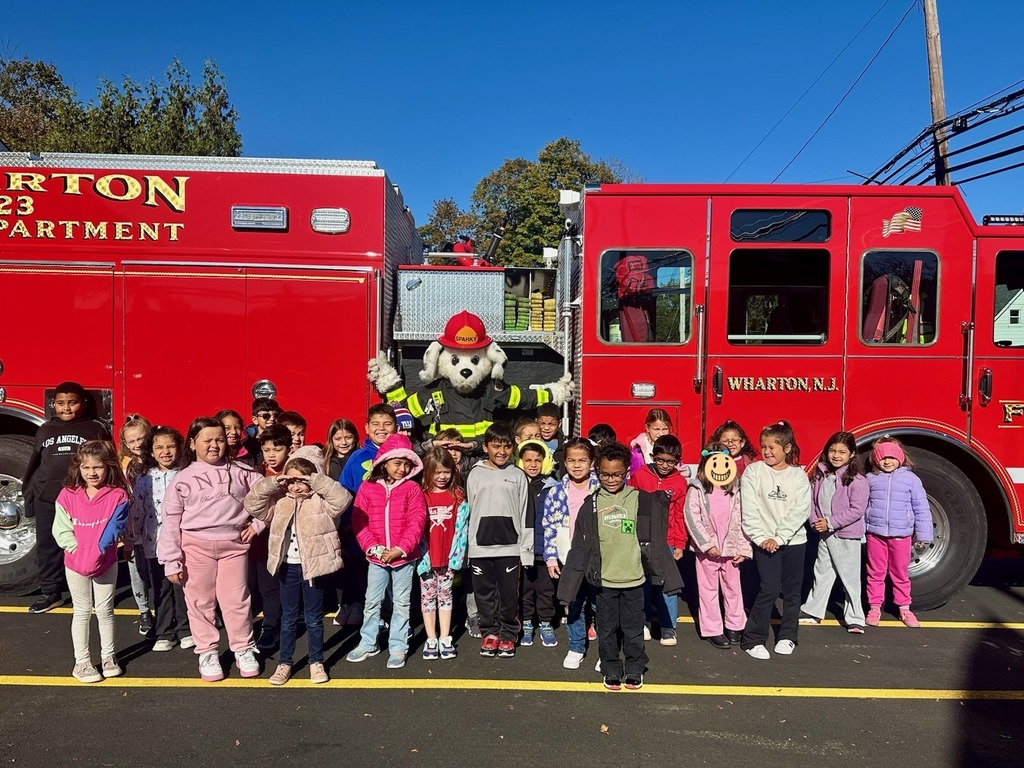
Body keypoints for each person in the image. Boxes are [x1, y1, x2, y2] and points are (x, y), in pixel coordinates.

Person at [557, 441, 682, 691]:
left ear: (626, 472)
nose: (611, 479)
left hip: (635, 581)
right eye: (605, 474)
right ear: (597, 472)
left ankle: (635, 668)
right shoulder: (590, 505)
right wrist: (569, 586)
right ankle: (611, 668)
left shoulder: (642, 500)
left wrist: (667, 576)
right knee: (607, 629)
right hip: (603, 583)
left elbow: (656, 542)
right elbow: (579, 547)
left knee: (634, 630)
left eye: (616, 474)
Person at [158, 416, 263, 682]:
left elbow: (269, 498)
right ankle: (207, 651)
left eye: (219, 439)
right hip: (195, 548)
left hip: (234, 548)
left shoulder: (242, 472)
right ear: (192, 444)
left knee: (237, 600)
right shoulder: (182, 479)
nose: (214, 445)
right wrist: (171, 560)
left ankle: (243, 648)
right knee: (200, 602)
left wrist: (259, 525)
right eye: (207, 440)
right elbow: (170, 522)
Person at [245, 454, 352, 685]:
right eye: (291, 481)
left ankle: (316, 662)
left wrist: (315, 479)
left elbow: (342, 499)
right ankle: (285, 663)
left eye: (301, 480)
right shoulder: (280, 502)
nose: (296, 485)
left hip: (314, 569)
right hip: (287, 568)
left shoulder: (321, 502)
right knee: (289, 619)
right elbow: (252, 504)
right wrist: (273, 482)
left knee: (314, 620)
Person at [23, 381, 111, 614]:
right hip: (48, 499)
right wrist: (31, 498)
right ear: (54, 405)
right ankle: (51, 592)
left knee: (85, 545)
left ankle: (88, 591)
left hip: (82, 499)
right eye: (60, 403)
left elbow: (106, 463)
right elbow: (34, 466)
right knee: (48, 546)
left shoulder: (94, 428)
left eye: (72, 402)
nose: (66, 408)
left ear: (82, 403)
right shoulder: (45, 429)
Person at [346, 434, 427, 670]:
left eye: (406, 464)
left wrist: (400, 549)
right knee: (372, 601)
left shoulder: (412, 488)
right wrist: (374, 547)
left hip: (404, 557)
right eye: (397, 463)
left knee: (401, 603)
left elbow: (417, 521)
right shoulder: (367, 487)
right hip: (376, 556)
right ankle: (368, 642)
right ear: (384, 463)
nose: (402, 469)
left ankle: (398, 646)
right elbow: (360, 520)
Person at [52, 440, 130, 682]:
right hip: (75, 562)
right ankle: (82, 662)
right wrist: (76, 549)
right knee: (82, 611)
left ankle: (108, 656)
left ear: (108, 468)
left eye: (98, 467)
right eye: (86, 468)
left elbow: (115, 527)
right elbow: (61, 528)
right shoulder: (68, 495)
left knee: (106, 610)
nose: (92, 473)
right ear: (78, 468)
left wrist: (98, 550)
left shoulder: (118, 495)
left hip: (106, 561)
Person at [740, 421, 810, 660]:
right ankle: (753, 639)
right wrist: (761, 538)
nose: (767, 451)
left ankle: (788, 636)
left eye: (773, 447)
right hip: (764, 542)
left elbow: (800, 510)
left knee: (792, 591)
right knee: (768, 589)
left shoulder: (798, 475)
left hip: (793, 541)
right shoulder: (754, 472)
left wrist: (780, 537)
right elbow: (749, 509)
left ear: (787, 448)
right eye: (764, 446)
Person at [466, 422, 532, 659]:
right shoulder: (474, 474)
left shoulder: (518, 475)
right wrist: (467, 548)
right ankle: (490, 633)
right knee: (484, 594)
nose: (501, 452)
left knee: (508, 594)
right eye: (496, 446)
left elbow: (526, 514)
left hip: (510, 548)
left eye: (506, 446)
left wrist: (525, 551)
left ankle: (508, 634)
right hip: (480, 548)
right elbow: (468, 512)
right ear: (485, 447)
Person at [130, 426, 193, 652]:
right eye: (159, 447)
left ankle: (186, 630)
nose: (165, 452)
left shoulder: (187, 474)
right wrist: (133, 537)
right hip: (154, 542)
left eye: (171, 446)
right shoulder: (145, 478)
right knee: (161, 588)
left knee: (181, 586)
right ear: (151, 451)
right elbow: (138, 509)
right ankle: (165, 632)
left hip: (182, 543)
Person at [799, 431, 869, 633]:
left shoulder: (856, 480)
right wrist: (815, 523)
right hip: (825, 534)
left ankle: (855, 616)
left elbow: (857, 510)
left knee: (850, 577)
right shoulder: (821, 476)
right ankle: (813, 610)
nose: (836, 455)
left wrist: (830, 522)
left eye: (842, 452)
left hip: (846, 536)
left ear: (852, 454)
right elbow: (812, 502)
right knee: (822, 572)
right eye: (832, 451)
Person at [684, 443, 751, 648]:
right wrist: (706, 545)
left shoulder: (736, 490)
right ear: (705, 466)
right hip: (708, 552)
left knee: (733, 588)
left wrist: (743, 548)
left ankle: (735, 624)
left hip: (731, 550)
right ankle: (713, 629)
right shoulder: (697, 490)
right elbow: (691, 517)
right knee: (708, 590)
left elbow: (743, 519)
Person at [542, 437, 600, 669]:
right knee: (575, 602)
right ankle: (576, 647)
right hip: (569, 554)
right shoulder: (556, 492)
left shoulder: (601, 488)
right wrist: (550, 557)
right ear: (564, 463)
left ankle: (606, 651)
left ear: (592, 463)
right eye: (572, 460)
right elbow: (549, 525)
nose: (577, 465)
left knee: (600, 603)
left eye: (582, 460)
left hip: (597, 554)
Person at [864, 436, 933, 628]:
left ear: (900, 458)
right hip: (875, 534)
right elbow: (862, 507)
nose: (887, 461)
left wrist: (924, 534)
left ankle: (904, 608)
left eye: (892, 457)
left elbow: (921, 507)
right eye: (883, 457)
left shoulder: (911, 480)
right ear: (876, 459)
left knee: (900, 573)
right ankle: (874, 606)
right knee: (875, 572)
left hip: (901, 536)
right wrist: (861, 531)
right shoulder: (870, 479)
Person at [629, 434, 689, 646]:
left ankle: (668, 627)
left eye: (670, 462)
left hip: (667, 541)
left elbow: (680, 515)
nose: (664, 465)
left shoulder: (680, 483)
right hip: (642, 538)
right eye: (660, 460)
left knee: (667, 585)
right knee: (642, 583)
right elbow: (631, 505)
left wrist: (680, 543)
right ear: (652, 456)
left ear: (677, 462)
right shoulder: (640, 475)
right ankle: (644, 622)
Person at [417, 447, 469, 661]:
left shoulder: (457, 495)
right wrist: (422, 555)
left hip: (449, 557)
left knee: (446, 596)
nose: (442, 477)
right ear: (427, 472)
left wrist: (457, 556)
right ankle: (431, 637)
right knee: (428, 597)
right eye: (436, 472)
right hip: (427, 558)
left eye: (446, 472)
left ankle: (445, 637)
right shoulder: (421, 496)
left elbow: (462, 530)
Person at [251, 424, 293, 653]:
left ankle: (286, 622)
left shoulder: (296, 473)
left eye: (277, 449)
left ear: (289, 449)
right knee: (267, 587)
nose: (272, 454)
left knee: (287, 585)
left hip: (290, 541)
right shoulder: (257, 473)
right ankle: (269, 626)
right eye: (267, 450)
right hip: (262, 542)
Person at [516, 439, 559, 648]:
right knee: (525, 589)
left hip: (544, 549)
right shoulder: (516, 483)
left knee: (546, 590)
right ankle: (526, 624)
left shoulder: (551, 486)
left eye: (537, 460)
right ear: (520, 461)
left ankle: (545, 623)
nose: (533, 464)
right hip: (522, 547)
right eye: (528, 460)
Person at [323, 417, 364, 626]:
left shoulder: (360, 458)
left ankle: (357, 602)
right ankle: (343, 603)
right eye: (338, 438)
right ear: (331, 439)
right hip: (335, 519)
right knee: (340, 562)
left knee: (357, 562)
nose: (343, 442)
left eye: (348, 437)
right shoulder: (326, 462)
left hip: (358, 516)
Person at [117, 414, 155, 635]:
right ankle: (143, 611)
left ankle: (164, 609)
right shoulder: (124, 464)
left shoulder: (157, 458)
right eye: (131, 441)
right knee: (136, 569)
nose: (137, 444)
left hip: (156, 523)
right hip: (133, 524)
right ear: (125, 443)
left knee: (157, 569)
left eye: (141, 438)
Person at [340, 404, 398, 493]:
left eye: (387, 424)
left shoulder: (405, 456)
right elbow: (344, 491)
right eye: (375, 424)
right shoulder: (357, 457)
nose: (381, 428)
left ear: (396, 428)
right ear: (367, 428)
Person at [628, 408, 673, 474]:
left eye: (665, 429)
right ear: (647, 428)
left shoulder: (672, 446)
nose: (661, 434)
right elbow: (635, 478)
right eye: (656, 429)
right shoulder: (638, 453)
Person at [536, 403, 564, 468]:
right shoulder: (531, 442)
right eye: (542, 423)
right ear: (536, 422)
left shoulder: (564, 446)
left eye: (551, 424)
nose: (546, 428)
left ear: (559, 424)